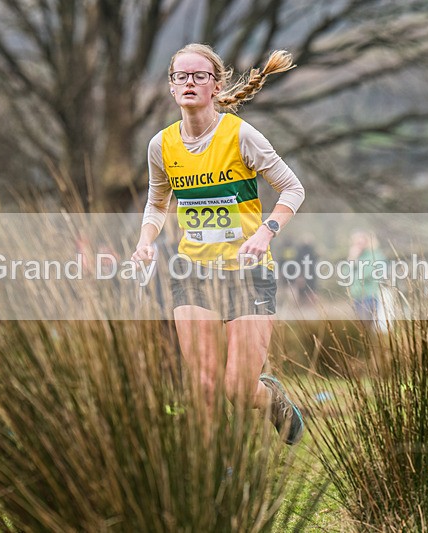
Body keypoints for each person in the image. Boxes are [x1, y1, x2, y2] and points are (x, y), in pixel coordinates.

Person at [131, 43, 305, 445]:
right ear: (172, 88)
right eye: (181, 77)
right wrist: (145, 242)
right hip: (193, 272)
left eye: (199, 76)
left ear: (215, 85)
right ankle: (216, 474)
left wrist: (265, 233)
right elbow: (157, 203)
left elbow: (293, 189)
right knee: (206, 388)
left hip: (248, 274)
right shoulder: (161, 145)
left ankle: (272, 398)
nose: (189, 83)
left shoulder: (241, 135)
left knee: (238, 390)